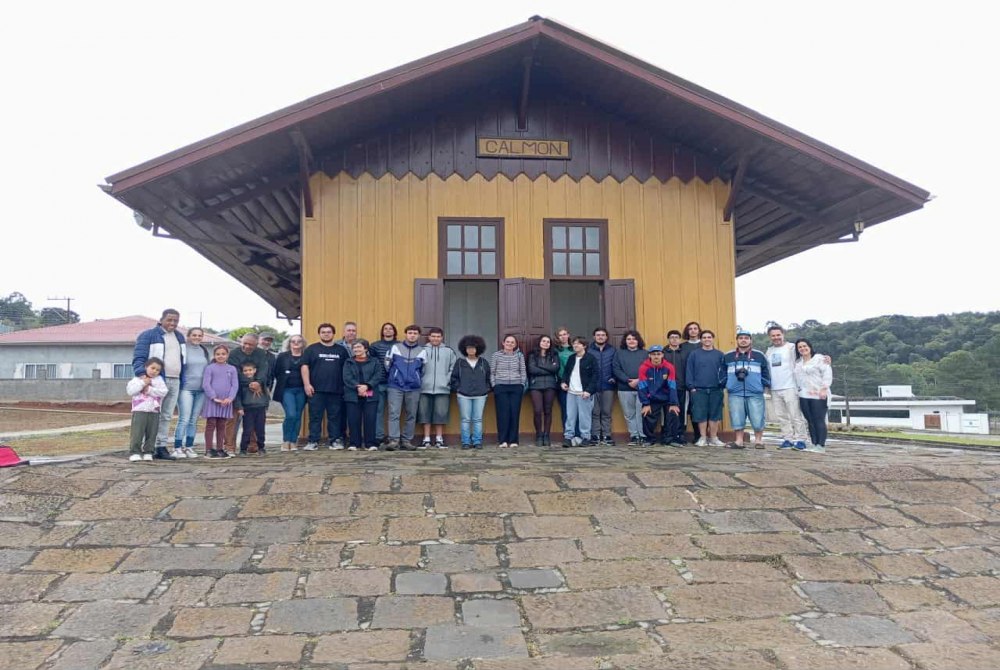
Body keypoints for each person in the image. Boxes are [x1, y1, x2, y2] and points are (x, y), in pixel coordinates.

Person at [132, 308, 186, 460]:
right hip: (156, 381)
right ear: (161, 320)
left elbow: (182, 360)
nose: (172, 323)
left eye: (176, 320)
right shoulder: (148, 335)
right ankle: (147, 447)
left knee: (167, 415)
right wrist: (144, 379)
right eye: (169, 320)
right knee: (151, 415)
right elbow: (139, 358)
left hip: (175, 380)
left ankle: (161, 446)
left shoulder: (179, 337)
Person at [302, 323, 350, 450]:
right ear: (319, 334)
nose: (326, 334)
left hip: (336, 390)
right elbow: (305, 366)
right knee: (315, 417)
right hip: (316, 390)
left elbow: (347, 369)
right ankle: (313, 441)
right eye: (323, 332)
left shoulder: (341, 350)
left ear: (333, 334)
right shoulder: (311, 349)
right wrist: (307, 384)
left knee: (335, 417)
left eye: (329, 332)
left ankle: (334, 441)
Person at [721, 329, 770, 450]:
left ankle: (758, 440)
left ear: (750, 340)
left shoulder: (759, 355)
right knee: (737, 417)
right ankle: (739, 441)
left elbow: (766, 371)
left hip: (755, 391)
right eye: (741, 338)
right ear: (737, 340)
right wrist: (725, 384)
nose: (743, 340)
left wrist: (764, 385)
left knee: (757, 417)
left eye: (746, 338)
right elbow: (722, 372)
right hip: (735, 392)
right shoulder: (728, 356)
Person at [766, 325, 810, 450]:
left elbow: (807, 355)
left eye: (778, 335)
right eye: (773, 336)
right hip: (775, 388)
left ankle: (801, 439)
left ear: (783, 334)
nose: (776, 337)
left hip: (790, 386)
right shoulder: (769, 351)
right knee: (781, 416)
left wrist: (824, 358)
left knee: (795, 415)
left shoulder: (792, 347)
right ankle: (787, 439)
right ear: (770, 337)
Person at [226, 333, 271, 452]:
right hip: (237, 388)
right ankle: (229, 446)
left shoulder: (260, 353)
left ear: (256, 345)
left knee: (254, 420)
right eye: (244, 343)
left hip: (257, 387)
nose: (246, 346)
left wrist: (258, 382)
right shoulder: (234, 353)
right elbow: (234, 372)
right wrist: (250, 383)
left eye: (250, 344)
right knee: (233, 419)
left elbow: (263, 369)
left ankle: (253, 445)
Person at [385, 325, 426, 451]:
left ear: (418, 335)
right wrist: (395, 376)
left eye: (415, 333)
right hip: (395, 386)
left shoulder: (422, 351)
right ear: (406, 334)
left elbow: (423, 369)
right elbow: (387, 364)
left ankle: (406, 441)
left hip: (413, 387)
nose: (412, 335)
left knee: (411, 414)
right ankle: (394, 440)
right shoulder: (395, 347)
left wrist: (415, 378)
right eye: (410, 333)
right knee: (394, 413)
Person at [173, 327, 210, 458]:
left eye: (200, 335)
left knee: (194, 420)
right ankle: (177, 447)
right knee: (184, 418)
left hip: (201, 390)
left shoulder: (204, 350)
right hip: (186, 389)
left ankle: (189, 446)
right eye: (194, 335)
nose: (197, 338)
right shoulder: (183, 349)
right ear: (188, 336)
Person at [685, 329, 726, 447]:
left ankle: (713, 438)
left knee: (715, 415)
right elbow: (689, 371)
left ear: (713, 339)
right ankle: (702, 437)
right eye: (704, 337)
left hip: (716, 389)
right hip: (699, 389)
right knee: (700, 415)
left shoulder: (719, 354)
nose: (707, 339)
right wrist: (691, 387)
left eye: (709, 337)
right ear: (701, 340)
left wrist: (722, 385)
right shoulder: (694, 354)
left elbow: (724, 372)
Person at [451, 334, 491, 450]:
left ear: (478, 349)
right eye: (468, 348)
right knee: (465, 419)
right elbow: (454, 378)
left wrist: (486, 388)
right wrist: (458, 388)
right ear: (464, 349)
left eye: (473, 347)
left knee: (477, 419)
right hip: (463, 395)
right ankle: (466, 442)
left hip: (480, 395)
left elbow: (488, 377)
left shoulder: (483, 363)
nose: (471, 350)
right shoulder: (460, 363)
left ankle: (477, 441)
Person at [419, 327, 457, 449]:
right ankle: (426, 439)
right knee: (424, 413)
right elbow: (417, 368)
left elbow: (453, 368)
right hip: (424, 388)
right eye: (433, 336)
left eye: (438, 336)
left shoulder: (449, 351)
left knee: (440, 414)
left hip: (442, 388)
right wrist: (420, 381)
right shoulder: (422, 350)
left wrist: (447, 381)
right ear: (429, 337)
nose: (436, 338)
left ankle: (439, 439)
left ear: (442, 337)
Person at [343, 339, 384, 451]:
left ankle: (370, 443)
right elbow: (347, 377)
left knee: (370, 419)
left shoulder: (374, 361)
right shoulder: (348, 362)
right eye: (354, 347)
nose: (356, 349)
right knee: (353, 419)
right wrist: (358, 387)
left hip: (370, 394)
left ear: (365, 349)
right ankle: (354, 443)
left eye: (359, 347)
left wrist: (367, 386)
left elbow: (377, 375)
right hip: (352, 394)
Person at [794, 338, 833, 452]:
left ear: (810, 347)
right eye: (800, 347)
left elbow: (827, 373)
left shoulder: (819, 359)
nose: (803, 348)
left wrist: (824, 388)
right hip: (804, 394)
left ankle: (821, 445)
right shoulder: (798, 363)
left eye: (804, 346)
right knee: (809, 420)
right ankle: (814, 443)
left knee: (818, 419)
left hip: (818, 394)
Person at [637, 345, 681, 446]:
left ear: (662, 355)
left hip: (667, 397)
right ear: (649, 355)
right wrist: (646, 403)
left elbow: (672, 385)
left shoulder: (669, 367)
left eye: (658, 354)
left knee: (673, 413)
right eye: (653, 354)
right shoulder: (643, 367)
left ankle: (670, 439)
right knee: (647, 414)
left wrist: (674, 403)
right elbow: (642, 386)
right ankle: (649, 439)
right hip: (652, 398)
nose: (656, 356)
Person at [126, 358, 168, 462]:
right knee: (137, 432)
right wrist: (142, 383)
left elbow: (163, 392)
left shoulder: (159, 380)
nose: (154, 371)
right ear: (146, 367)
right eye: (152, 368)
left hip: (154, 410)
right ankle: (135, 452)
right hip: (139, 410)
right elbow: (131, 391)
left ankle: (148, 452)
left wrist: (149, 390)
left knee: (152, 433)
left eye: (157, 370)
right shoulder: (137, 379)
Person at [491, 334, 527, 448]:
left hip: (516, 387)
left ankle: (514, 440)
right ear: (503, 343)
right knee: (503, 414)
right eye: (507, 341)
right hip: (501, 387)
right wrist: (494, 385)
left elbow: (523, 371)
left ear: (515, 344)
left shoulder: (519, 356)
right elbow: (492, 372)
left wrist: (522, 384)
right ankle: (503, 440)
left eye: (512, 342)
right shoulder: (496, 355)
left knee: (514, 413)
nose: (509, 344)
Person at [201, 345, 238, 459]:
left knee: (222, 425)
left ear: (227, 355)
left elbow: (234, 385)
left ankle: (220, 449)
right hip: (213, 401)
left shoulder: (232, 369)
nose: (220, 356)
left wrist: (230, 398)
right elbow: (206, 384)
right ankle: (208, 449)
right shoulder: (210, 368)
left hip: (225, 402)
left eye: (223, 354)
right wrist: (214, 397)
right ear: (214, 355)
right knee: (211, 424)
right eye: (218, 354)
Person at [561, 336, 598, 448]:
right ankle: (568, 437)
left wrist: (589, 390)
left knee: (584, 417)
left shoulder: (591, 359)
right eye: (574, 343)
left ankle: (585, 437)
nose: (575, 345)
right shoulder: (571, 358)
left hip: (584, 393)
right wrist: (564, 382)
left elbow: (595, 376)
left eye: (578, 343)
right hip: (571, 392)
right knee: (570, 416)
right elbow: (566, 373)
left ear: (584, 346)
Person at [273, 334, 308, 452]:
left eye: (299, 341)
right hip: (287, 389)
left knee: (298, 416)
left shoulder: (306, 356)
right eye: (293, 341)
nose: (296, 343)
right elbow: (276, 372)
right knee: (291, 414)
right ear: (289, 343)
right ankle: (286, 440)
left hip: (301, 389)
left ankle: (293, 441)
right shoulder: (282, 356)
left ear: (303, 343)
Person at [612, 330, 647, 446]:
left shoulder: (645, 354)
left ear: (638, 340)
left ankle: (642, 435)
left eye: (634, 339)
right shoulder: (619, 353)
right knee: (629, 414)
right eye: (629, 339)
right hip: (624, 388)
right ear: (625, 341)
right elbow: (616, 368)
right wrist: (627, 380)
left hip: (642, 388)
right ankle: (634, 436)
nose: (631, 341)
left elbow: (649, 369)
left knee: (641, 413)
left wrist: (639, 380)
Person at [527, 334, 560, 446]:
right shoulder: (532, 355)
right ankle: (539, 435)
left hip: (550, 385)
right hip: (535, 385)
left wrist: (540, 367)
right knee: (537, 410)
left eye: (548, 342)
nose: (546, 343)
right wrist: (549, 369)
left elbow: (556, 369)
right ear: (539, 342)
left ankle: (546, 435)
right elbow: (532, 369)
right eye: (543, 341)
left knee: (548, 411)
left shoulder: (554, 354)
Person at [369, 322, 398, 445]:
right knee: (378, 410)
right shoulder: (375, 346)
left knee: (394, 411)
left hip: (395, 383)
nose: (388, 330)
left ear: (394, 331)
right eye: (385, 329)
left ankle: (393, 437)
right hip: (379, 382)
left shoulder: (400, 346)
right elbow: (371, 363)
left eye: (390, 328)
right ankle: (379, 436)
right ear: (382, 331)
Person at [588, 327, 617, 446]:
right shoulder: (589, 350)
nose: (600, 337)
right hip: (593, 386)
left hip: (608, 385)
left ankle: (606, 435)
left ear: (606, 337)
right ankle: (595, 435)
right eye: (598, 335)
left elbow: (616, 365)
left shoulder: (612, 350)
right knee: (595, 412)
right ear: (594, 337)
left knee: (606, 412)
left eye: (603, 335)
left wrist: (614, 377)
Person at [236, 361, 270, 456]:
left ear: (255, 370)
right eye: (245, 371)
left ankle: (261, 447)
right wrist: (240, 407)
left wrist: (266, 403)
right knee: (247, 429)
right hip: (248, 408)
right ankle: (243, 448)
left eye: (250, 370)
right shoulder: (241, 383)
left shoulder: (260, 381)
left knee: (260, 429)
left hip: (260, 407)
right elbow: (238, 396)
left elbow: (266, 392)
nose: (248, 372)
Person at [334, 321, 359, 443]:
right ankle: (341, 437)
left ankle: (355, 438)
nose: (351, 333)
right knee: (340, 412)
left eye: (353, 330)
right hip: (339, 383)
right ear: (344, 332)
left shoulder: (361, 345)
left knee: (355, 412)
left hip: (356, 384)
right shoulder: (336, 345)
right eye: (349, 330)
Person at [680, 321, 703, 442]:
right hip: (685, 383)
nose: (693, 331)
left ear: (699, 330)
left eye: (695, 328)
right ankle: (681, 434)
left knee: (699, 409)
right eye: (690, 329)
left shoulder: (704, 344)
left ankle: (699, 435)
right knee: (686, 409)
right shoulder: (682, 346)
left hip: (701, 383)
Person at [553, 327, 574, 432]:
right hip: (562, 381)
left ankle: (577, 433)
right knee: (565, 408)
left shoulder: (574, 348)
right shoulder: (555, 350)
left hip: (575, 381)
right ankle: (568, 432)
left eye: (564, 334)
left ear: (568, 335)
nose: (563, 337)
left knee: (576, 409)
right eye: (560, 335)